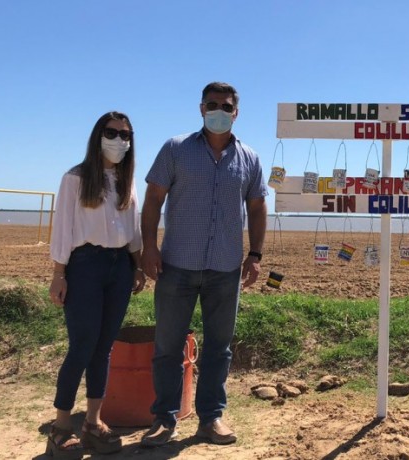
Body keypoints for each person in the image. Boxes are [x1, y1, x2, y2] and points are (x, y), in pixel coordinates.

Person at [140, 81, 268, 447]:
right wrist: (149, 247)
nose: (219, 111)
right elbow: (152, 201)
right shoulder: (176, 149)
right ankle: (164, 419)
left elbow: (257, 208)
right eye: (212, 104)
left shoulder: (249, 158)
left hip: (225, 269)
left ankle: (211, 418)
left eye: (226, 106)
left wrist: (255, 255)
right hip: (176, 265)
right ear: (201, 108)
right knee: (167, 346)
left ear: (236, 113)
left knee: (219, 348)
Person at [47, 111, 145, 458]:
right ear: (97, 135)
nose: (119, 139)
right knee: (82, 345)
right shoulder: (75, 178)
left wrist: (137, 265)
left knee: (104, 347)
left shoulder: (126, 180)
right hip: (84, 266)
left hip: (119, 267)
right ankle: (60, 426)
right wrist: (59, 274)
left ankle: (93, 421)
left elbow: (132, 228)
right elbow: (63, 229)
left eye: (125, 134)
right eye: (112, 132)